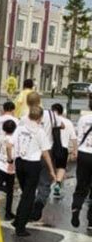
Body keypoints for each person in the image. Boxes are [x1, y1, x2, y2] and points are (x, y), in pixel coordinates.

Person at [13, 106, 57, 237]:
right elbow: (45, 153)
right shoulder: (40, 132)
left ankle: (17, 219)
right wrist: (51, 170)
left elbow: (10, 143)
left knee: (25, 192)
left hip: (19, 162)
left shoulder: (20, 128)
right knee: (29, 195)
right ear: (40, 118)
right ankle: (20, 226)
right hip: (32, 164)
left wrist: (11, 159)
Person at [70, 93, 92, 230]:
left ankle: (76, 208)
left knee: (81, 185)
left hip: (84, 154)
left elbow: (79, 137)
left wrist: (74, 151)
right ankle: (91, 220)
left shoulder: (84, 119)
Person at [48, 103, 75, 198]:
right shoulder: (68, 122)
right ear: (62, 111)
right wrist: (75, 150)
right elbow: (73, 138)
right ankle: (58, 183)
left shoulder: (49, 120)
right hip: (63, 148)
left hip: (50, 148)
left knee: (49, 168)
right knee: (61, 167)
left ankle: (46, 187)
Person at [0, 119, 18, 221]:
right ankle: (8, 212)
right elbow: (15, 153)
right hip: (10, 168)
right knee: (10, 191)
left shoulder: (1, 137)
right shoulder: (15, 139)